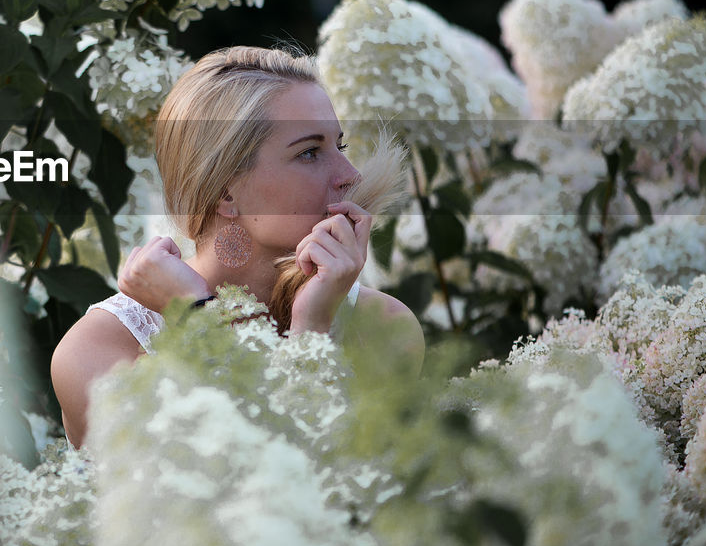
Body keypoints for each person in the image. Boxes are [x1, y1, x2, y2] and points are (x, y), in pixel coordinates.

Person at [50, 46, 425, 448]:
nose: (350, 175)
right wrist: (197, 315)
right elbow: (218, 484)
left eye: (341, 146)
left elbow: (347, 487)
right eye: (310, 152)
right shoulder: (100, 348)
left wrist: (311, 324)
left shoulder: (382, 325)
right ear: (225, 190)